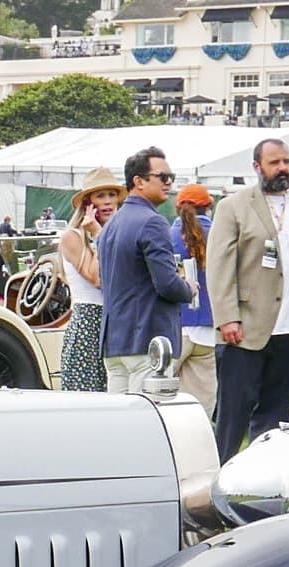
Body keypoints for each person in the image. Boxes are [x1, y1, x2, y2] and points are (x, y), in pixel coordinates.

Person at [204, 138, 289, 453]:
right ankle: (220, 476)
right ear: (257, 167)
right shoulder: (233, 206)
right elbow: (219, 267)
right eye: (275, 162)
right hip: (246, 328)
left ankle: (265, 481)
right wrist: (227, 317)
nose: (283, 168)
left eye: (286, 161)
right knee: (234, 411)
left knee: (276, 412)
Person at [97, 147, 193, 395]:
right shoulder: (153, 221)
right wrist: (189, 289)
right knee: (148, 421)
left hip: (115, 343)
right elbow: (167, 284)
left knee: (119, 427)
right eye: (162, 176)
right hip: (148, 342)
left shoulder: (110, 225)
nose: (169, 182)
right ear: (138, 181)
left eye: (171, 176)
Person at [55, 170, 120, 393]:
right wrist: (96, 232)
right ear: (88, 203)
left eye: (112, 194)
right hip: (88, 324)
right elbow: (98, 279)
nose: (108, 201)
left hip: (114, 324)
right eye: (100, 196)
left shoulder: (113, 234)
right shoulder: (73, 236)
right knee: (87, 398)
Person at [171, 184, 221, 413]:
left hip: (174, 326)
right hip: (208, 329)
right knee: (199, 407)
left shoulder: (166, 234)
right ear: (208, 207)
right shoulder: (220, 234)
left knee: (159, 398)